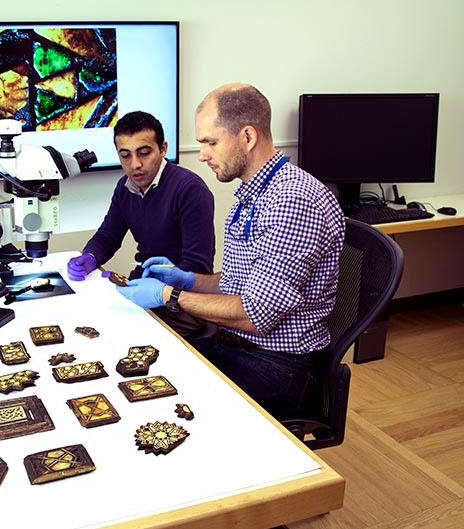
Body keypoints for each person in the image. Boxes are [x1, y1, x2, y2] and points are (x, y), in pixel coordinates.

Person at [117, 83, 344, 419]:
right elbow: (243, 281)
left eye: (210, 142)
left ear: (247, 137)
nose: (203, 154)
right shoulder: (254, 194)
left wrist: (169, 295)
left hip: (281, 367)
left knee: (162, 410)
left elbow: (254, 314)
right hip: (238, 347)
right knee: (141, 374)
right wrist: (189, 279)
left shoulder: (291, 201)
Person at [68, 111, 215, 337]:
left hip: (183, 301)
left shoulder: (189, 189)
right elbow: (108, 236)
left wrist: (158, 288)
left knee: (121, 336)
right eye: (125, 155)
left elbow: (196, 269)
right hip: (144, 284)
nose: (135, 164)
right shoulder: (124, 187)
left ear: (163, 149)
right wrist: (90, 257)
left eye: (144, 153)